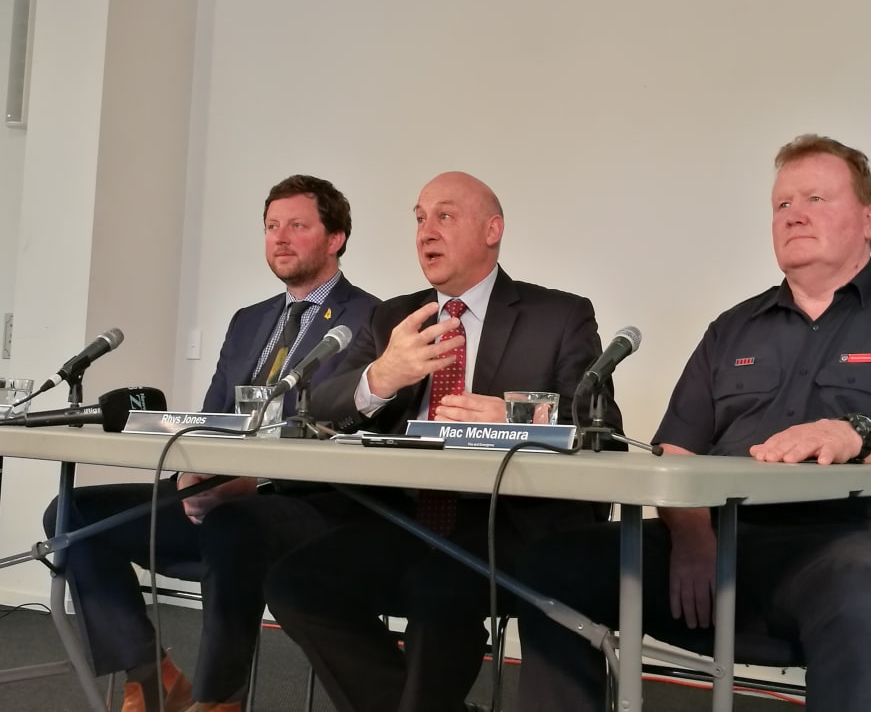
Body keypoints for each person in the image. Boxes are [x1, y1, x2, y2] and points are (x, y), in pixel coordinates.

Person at [513, 135, 871, 712]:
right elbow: (676, 452)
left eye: (816, 198)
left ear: (869, 219)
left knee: (859, 590)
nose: (794, 214)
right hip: (720, 548)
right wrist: (692, 537)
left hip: (858, 544)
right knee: (549, 564)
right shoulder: (732, 329)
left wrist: (856, 434)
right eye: (782, 205)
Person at [260, 170, 623, 712]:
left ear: (492, 229)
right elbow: (322, 404)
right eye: (419, 218)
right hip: (407, 516)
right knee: (295, 581)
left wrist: (518, 416)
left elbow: (601, 422)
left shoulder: (558, 314)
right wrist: (380, 377)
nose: (426, 231)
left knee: (438, 589)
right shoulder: (393, 317)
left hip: (508, 521)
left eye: (445, 216)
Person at [43, 175, 380, 712]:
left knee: (234, 524)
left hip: (304, 504)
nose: (280, 238)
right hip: (219, 491)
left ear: (336, 237)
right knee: (73, 512)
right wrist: (191, 475)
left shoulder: (370, 318)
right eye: (271, 226)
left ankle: (217, 700)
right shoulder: (249, 321)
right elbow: (212, 417)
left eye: (297, 225)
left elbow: (349, 429)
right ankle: (152, 679)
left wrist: (251, 482)